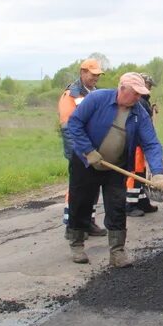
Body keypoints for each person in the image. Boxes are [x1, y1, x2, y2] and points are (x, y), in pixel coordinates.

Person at [65, 72, 163, 267]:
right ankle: (77, 243)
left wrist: (158, 173)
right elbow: (74, 124)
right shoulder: (97, 99)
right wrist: (88, 151)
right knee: (81, 203)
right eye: (135, 93)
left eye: (140, 94)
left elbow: (152, 143)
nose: (138, 98)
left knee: (117, 207)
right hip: (86, 162)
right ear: (122, 89)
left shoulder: (139, 113)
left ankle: (117, 251)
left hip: (116, 167)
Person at [58, 58, 107, 237]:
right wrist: (78, 153)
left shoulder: (95, 92)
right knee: (78, 188)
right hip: (78, 148)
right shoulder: (71, 95)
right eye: (93, 74)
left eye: (98, 75)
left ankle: (88, 222)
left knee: (93, 187)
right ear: (82, 72)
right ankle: (72, 226)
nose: (96, 78)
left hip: (94, 147)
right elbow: (67, 126)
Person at [125, 74, 160, 217]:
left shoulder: (144, 101)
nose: (149, 89)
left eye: (150, 86)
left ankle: (142, 202)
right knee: (135, 174)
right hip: (136, 144)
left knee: (141, 174)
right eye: (148, 85)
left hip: (142, 143)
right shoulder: (138, 102)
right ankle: (130, 205)